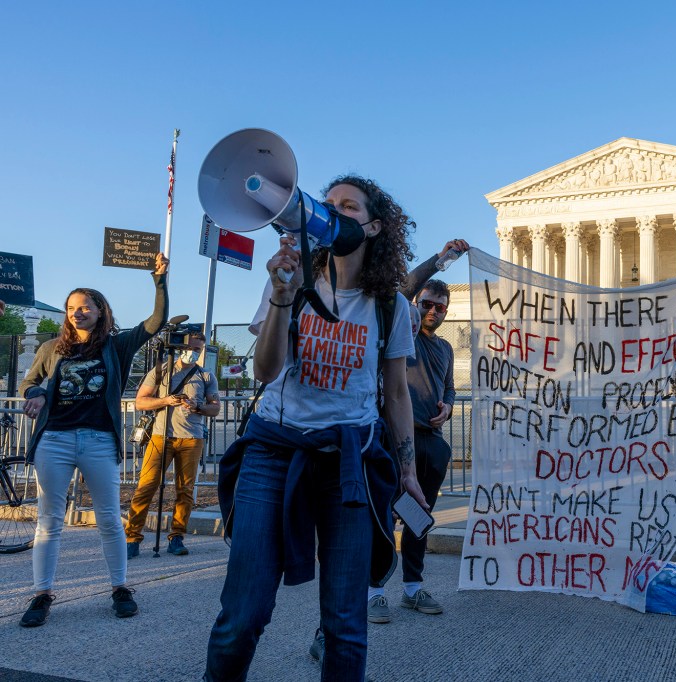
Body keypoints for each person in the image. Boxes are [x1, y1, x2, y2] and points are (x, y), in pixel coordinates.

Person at [204, 175, 428, 682]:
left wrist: (408, 469)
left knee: (346, 624)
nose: (331, 211)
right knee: (243, 615)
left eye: (347, 206)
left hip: (347, 463)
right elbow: (264, 372)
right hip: (273, 451)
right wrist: (284, 296)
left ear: (371, 227)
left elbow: (395, 393)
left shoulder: (390, 305)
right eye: (326, 204)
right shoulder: (291, 282)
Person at [17, 254, 170, 627]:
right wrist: (35, 393)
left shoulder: (116, 347)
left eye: (85, 307)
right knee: (49, 519)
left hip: (99, 441)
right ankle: (42, 594)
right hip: (54, 439)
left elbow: (155, 323)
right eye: (72, 308)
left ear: (101, 311)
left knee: (108, 518)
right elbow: (27, 383)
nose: (77, 312)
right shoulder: (51, 349)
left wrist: (160, 280)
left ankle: (119, 587)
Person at [366, 238, 468, 624]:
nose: (432, 311)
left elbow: (449, 387)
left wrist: (449, 405)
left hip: (431, 442)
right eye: (426, 304)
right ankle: (374, 591)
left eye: (440, 307)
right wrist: (442, 261)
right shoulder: (400, 330)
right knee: (383, 516)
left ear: (446, 312)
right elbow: (402, 290)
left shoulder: (445, 349)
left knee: (419, 517)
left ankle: (412, 588)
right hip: (393, 441)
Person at [124, 331, 220, 557]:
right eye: (191, 348)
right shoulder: (161, 371)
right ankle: (132, 538)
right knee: (146, 487)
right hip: (160, 436)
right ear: (180, 347)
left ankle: (177, 537)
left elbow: (214, 408)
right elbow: (140, 401)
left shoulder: (205, 376)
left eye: (198, 350)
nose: (193, 353)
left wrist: (197, 407)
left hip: (192, 438)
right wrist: (165, 400)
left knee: (185, 490)